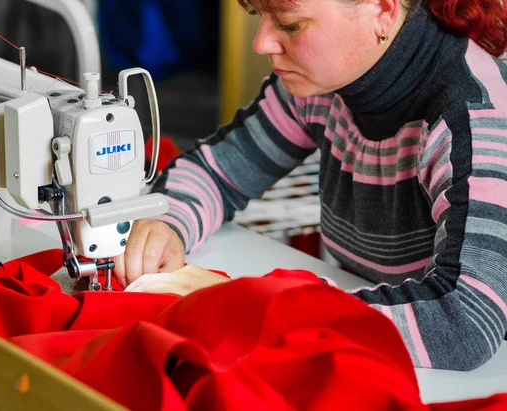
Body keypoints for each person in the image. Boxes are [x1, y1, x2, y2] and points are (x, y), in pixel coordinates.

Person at [114, 0, 507, 372]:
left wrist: (264, 308)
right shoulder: (326, 82)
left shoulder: (473, 116)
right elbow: (220, 170)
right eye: (260, 14)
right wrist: (169, 221)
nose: (261, 42)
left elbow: (465, 322)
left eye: (289, 24)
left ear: (383, 11)